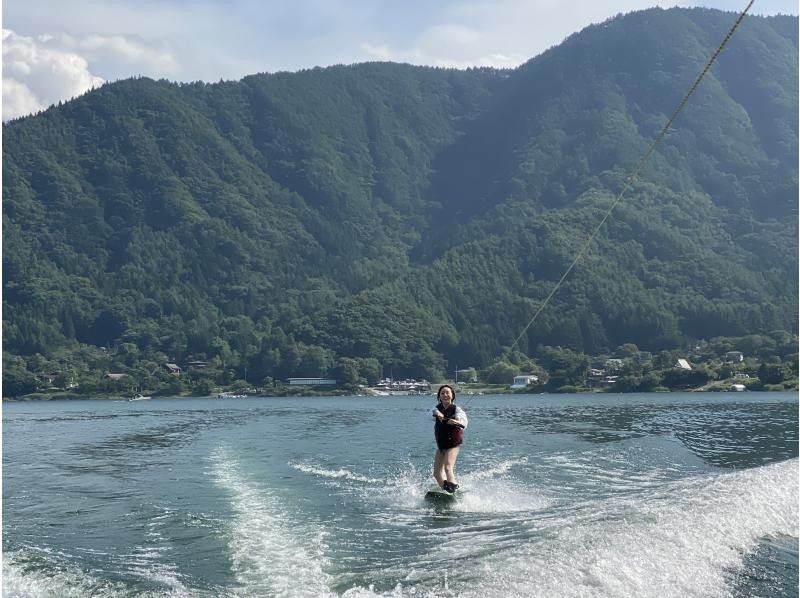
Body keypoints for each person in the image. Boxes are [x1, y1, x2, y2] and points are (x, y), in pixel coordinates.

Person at [431, 384, 468, 493]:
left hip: (453, 445)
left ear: (452, 396)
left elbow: (464, 423)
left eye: (447, 393)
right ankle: (447, 490)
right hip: (441, 445)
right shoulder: (436, 408)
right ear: (439, 396)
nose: (445, 395)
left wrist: (457, 421)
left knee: (448, 468)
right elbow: (429, 413)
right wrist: (437, 413)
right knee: (437, 474)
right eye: (442, 393)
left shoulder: (457, 410)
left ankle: (454, 488)